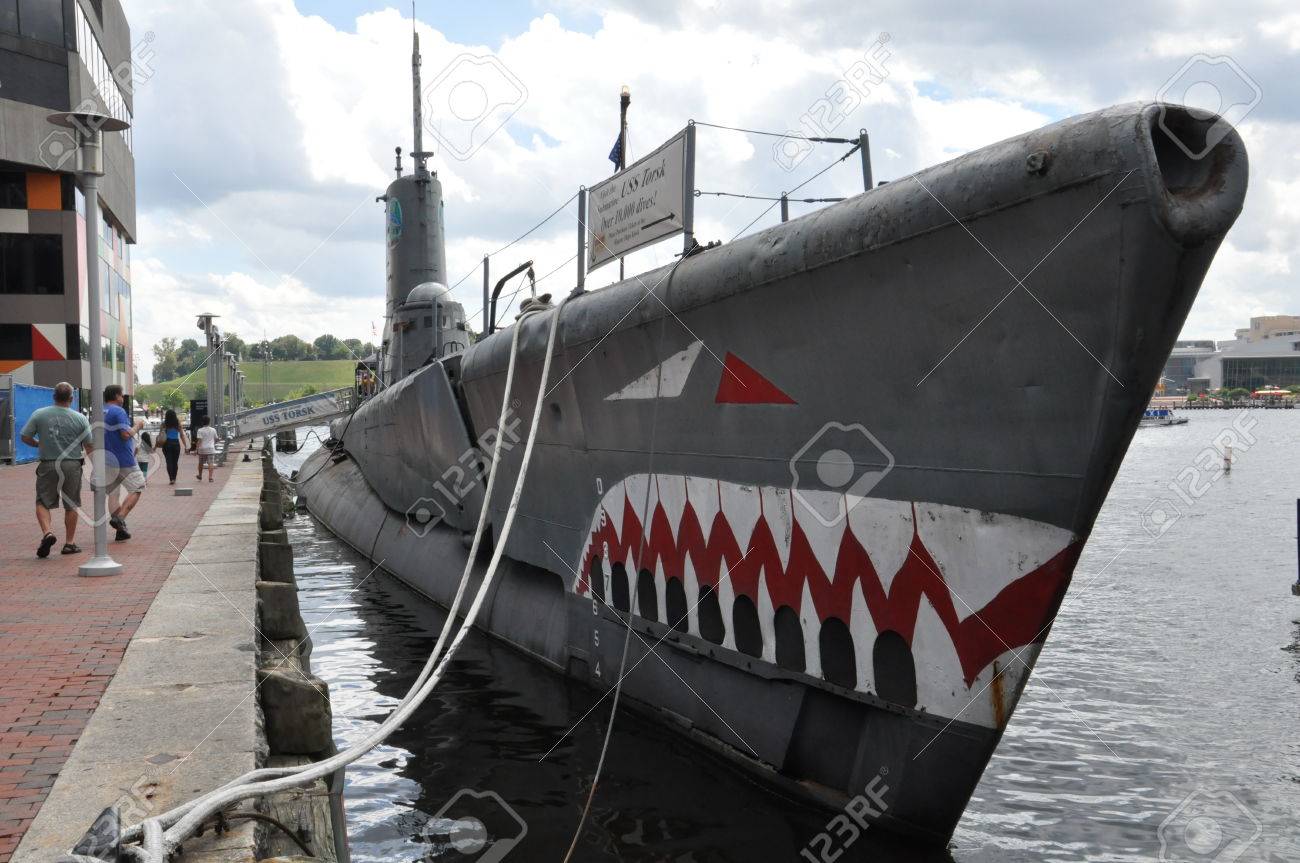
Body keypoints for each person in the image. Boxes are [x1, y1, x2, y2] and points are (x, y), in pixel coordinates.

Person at [20, 382, 93, 557]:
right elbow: (89, 446)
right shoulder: (80, 418)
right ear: (71, 398)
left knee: (42, 502)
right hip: (72, 465)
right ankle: (69, 543)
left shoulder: (39, 414)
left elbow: (25, 436)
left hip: (48, 464)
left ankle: (48, 533)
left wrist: (38, 444)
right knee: (72, 504)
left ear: (54, 396)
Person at [102, 384, 145, 541]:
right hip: (124, 459)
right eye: (122, 395)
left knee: (113, 494)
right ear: (116, 396)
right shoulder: (118, 411)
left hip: (107, 459)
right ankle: (120, 518)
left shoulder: (100, 411)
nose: (123, 398)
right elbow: (126, 435)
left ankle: (120, 530)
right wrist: (138, 425)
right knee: (138, 486)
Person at [160, 409, 188, 484]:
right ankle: (174, 478)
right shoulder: (177, 424)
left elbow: (161, 435)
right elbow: (182, 435)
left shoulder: (164, 424)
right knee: (175, 462)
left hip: (166, 443)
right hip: (176, 443)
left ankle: (171, 478)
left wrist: (157, 445)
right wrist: (186, 446)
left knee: (168, 461)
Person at [194, 415, 218, 482]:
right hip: (210, 449)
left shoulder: (200, 430)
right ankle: (210, 477)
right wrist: (214, 443)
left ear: (202, 422)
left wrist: (196, 449)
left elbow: (199, 441)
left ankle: (200, 475)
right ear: (209, 422)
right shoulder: (213, 430)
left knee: (200, 463)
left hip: (202, 450)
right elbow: (216, 438)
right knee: (211, 463)